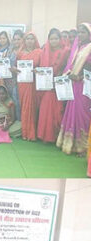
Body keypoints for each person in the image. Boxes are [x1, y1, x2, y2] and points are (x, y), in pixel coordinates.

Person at [57, 23, 91, 156]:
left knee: (83, 114)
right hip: (74, 85)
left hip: (85, 86)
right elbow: (70, 65)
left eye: (83, 32)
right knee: (72, 112)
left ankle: (83, 147)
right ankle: (68, 144)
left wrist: (81, 76)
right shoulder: (77, 47)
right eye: (79, 32)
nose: (80, 35)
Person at [36, 29, 70, 143]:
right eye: (51, 39)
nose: (53, 41)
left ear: (60, 39)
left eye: (56, 38)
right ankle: (45, 136)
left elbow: (68, 67)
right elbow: (41, 66)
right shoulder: (45, 50)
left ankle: (56, 137)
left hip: (59, 85)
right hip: (46, 86)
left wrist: (60, 75)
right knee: (45, 109)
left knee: (58, 110)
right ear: (48, 40)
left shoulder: (66, 51)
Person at [17, 32, 42, 141]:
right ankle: (25, 133)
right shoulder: (20, 53)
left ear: (35, 40)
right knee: (24, 107)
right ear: (24, 40)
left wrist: (38, 70)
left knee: (33, 107)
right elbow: (15, 66)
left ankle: (32, 133)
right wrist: (14, 70)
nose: (30, 41)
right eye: (27, 39)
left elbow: (43, 67)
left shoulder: (40, 52)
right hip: (23, 83)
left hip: (34, 83)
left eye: (32, 39)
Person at [6, 30, 24, 120]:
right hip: (9, 80)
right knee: (11, 101)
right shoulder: (10, 50)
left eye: (19, 39)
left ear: (22, 40)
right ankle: (11, 121)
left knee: (18, 102)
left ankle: (19, 122)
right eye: (15, 39)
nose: (16, 41)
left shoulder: (24, 50)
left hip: (20, 80)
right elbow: (6, 63)